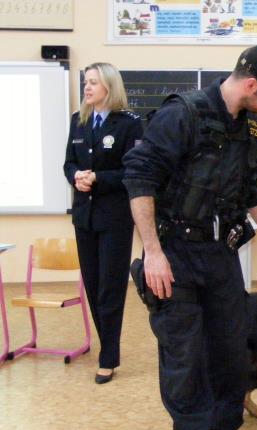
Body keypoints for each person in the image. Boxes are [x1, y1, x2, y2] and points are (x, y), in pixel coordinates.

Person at [122, 45, 257, 430]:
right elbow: (139, 178)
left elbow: (255, 192)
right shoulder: (182, 115)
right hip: (173, 255)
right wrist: (153, 252)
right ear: (251, 83)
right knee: (184, 359)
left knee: (230, 353)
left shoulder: (254, 131)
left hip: (219, 254)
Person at [63, 62, 143, 384]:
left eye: (93, 82)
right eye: (86, 82)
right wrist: (76, 177)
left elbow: (133, 172)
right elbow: (68, 162)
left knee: (111, 289)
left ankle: (108, 356)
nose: (87, 88)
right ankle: (106, 345)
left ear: (109, 86)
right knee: (94, 287)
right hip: (84, 217)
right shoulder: (78, 122)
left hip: (115, 219)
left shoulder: (130, 125)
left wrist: (98, 178)